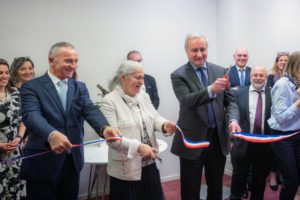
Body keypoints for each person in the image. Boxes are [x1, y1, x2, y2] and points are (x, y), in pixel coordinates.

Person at [19, 42, 121, 200]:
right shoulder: (31, 87)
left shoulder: (80, 87)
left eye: (76, 61)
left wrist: (104, 128)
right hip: (42, 163)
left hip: (72, 162)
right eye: (68, 61)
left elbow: (90, 110)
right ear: (52, 60)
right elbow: (31, 116)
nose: (74, 65)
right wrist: (51, 135)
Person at [171, 33, 241, 200]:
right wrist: (211, 90)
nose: (199, 54)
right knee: (190, 188)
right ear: (186, 51)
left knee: (216, 185)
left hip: (217, 137)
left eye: (203, 49)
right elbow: (186, 101)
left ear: (207, 49)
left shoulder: (219, 70)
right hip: (192, 139)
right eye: (194, 50)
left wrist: (233, 120)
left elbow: (230, 101)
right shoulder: (178, 75)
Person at [100, 60, 176, 200]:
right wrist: (140, 147)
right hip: (126, 172)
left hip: (149, 164)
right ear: (123, 77)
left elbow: (155, 118)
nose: (142, 82)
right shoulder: (109, 101)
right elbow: (113, 140)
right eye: (137, 77)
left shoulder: (144, 96)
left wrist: (165, 125)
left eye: (142, 77)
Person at [230, 66, 273, 200]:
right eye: (255, 75)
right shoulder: (239, 94)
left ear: (266, 78)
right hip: (243, 143)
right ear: (250, 77)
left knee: (260, 177)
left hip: (264, 144)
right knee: (239, 175)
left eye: (261, 75)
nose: (258, 78)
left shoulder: (273, 94)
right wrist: (231, 140)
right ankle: (235, 196)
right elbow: (232, 115)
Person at [268, 51, 300, 200]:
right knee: (291, 180)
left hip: (297, 134)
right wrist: (299, 103)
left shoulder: (298, 84)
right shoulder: (282, 85)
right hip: (283, 137)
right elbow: (281, 118)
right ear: (296, 67)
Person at [0, 58, 26, 199]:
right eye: (0, 73)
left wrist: (19, 137)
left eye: (6, 72)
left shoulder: (15, 92)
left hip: (15, 153)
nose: (4, 76)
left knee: (15, 190)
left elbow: (23, 118)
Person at [9, 57, 35, 148]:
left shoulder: (36, 89)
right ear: (16, 71)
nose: (28, 72)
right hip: (13, 137)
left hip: (33, 136)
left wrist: (30, 136)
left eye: (30, 68)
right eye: (23, 69)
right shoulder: (9, 90)